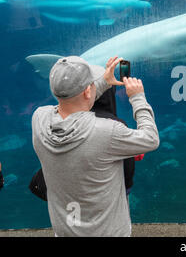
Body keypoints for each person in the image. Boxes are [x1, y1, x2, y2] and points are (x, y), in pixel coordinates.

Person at [31, 56, 159, 237]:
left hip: (65, 231)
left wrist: (104, 82)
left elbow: (73, 101)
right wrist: (138, 98)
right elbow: (151, 139)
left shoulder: (39, 118)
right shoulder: (107, 131)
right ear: (87, 91)